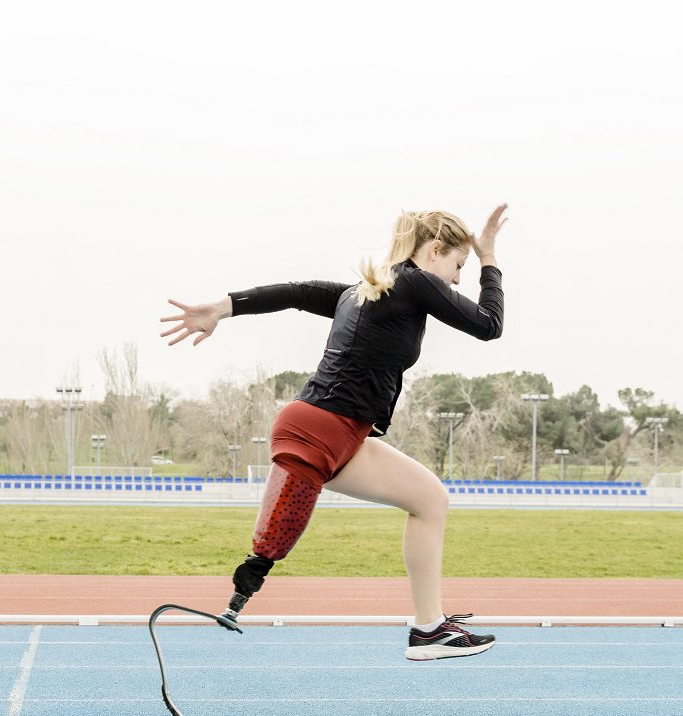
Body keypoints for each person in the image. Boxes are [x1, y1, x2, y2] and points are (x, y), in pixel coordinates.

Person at [160, 205, 508, 659]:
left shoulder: (359, 294)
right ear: (435, 250)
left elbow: (295, 292)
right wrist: (489, 258)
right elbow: (489, 325)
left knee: (429, 500)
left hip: (327, 427)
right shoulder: (416, 281)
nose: (458, 279)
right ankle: (426, 628)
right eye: (457, 265)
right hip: (324, 427)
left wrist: (223, 308)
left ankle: (428, 628)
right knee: (417, 504)